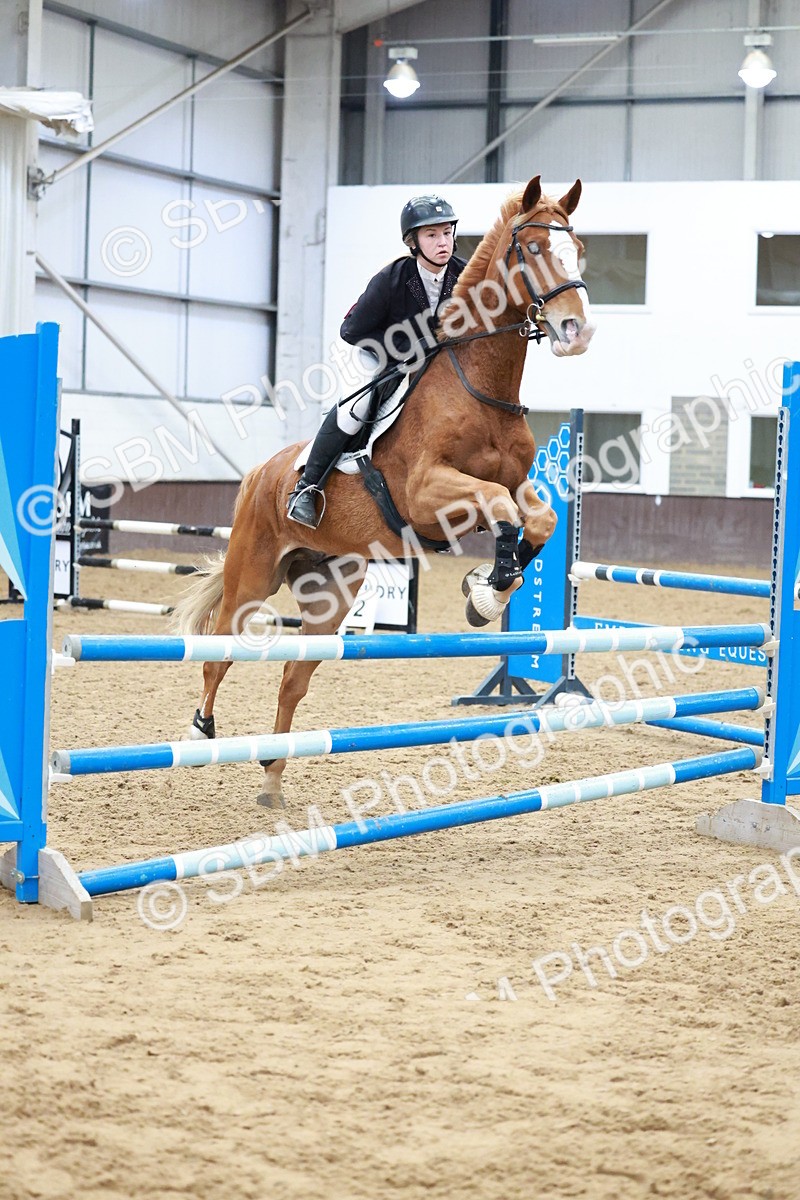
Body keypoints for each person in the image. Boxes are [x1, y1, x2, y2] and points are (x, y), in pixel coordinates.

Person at [287, 194, 467, 528]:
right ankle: (307, 487)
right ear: (413, 242)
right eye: (432, 235)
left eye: (447, 232)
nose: (443, 242)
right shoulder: (391, 279)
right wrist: (404, 352)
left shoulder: (464, 275)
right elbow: (351, 330)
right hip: (379, 356)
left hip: (436, 365)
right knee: (357, 407)